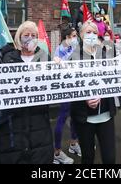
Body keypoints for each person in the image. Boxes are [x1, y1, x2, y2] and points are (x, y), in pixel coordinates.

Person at [0, 21, 53, 164]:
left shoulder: (45, 59)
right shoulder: (6, 59)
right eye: (26, 35)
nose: (30, 38)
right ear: (19, 37)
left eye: (34, 35)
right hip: (12, 126)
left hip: (39, 125)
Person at [69, 21, 116, 164]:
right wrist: (85, 99)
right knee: (88, 157)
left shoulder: (107, 54)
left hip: (106, 115)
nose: (92, 35)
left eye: (95, 33)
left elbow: (115, 80)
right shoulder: (74, 57)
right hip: (84, 118)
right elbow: (70, 88)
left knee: (110, 158)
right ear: (81, 35)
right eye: (88, 32)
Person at [52, 28, 82, 164]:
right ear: (66, 37)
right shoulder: (59, 51)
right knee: (62, 118)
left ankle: (74, 144)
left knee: (75, 116)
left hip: (77, 87)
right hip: (66, 89)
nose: (76, 38)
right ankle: (56, 151)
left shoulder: (75, 49)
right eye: (74, 36)